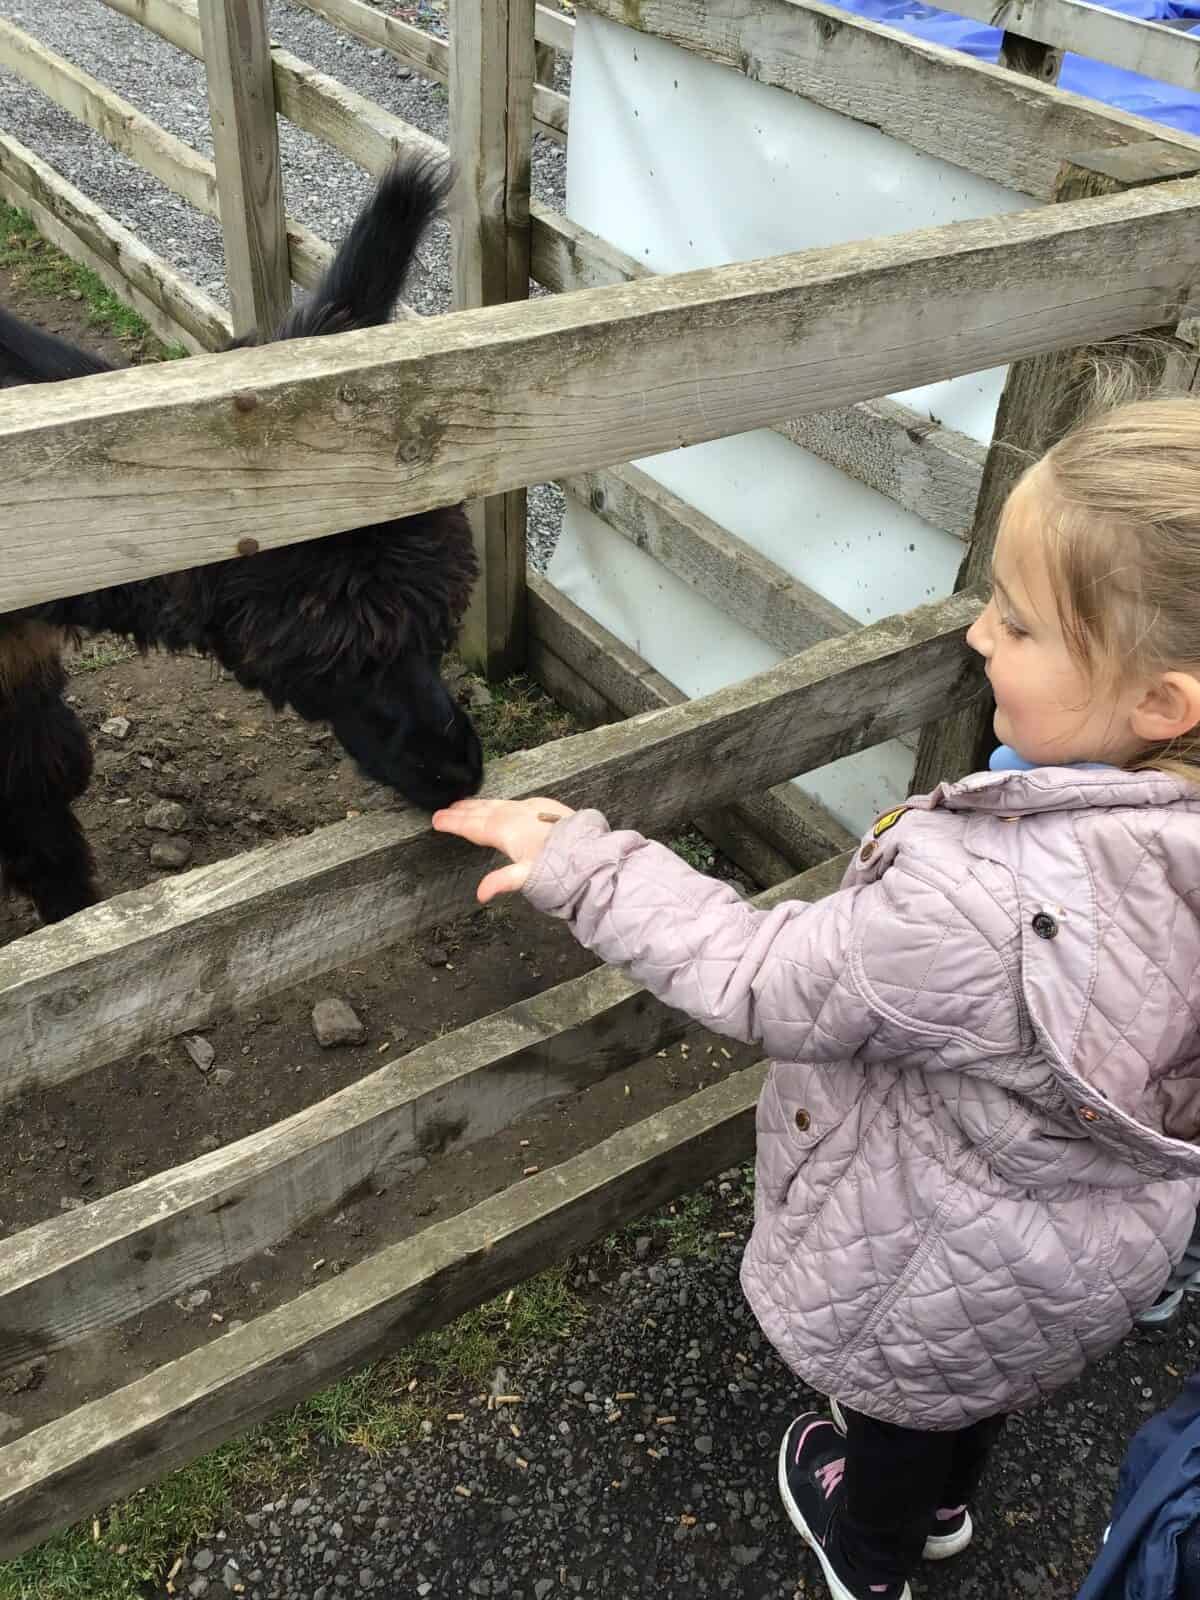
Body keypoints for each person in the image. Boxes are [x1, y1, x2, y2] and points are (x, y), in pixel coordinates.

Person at [433, 394, 1200, 1600]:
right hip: (1078, 1262)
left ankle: (870, 1556)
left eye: (1016, 621)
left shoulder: (982, 902)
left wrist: (582, 862)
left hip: (929, 1261)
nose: (976, 635)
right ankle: (944, 1505)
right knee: (980, 1381)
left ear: (1162, 704)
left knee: (903, 1406)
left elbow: (755, 974)